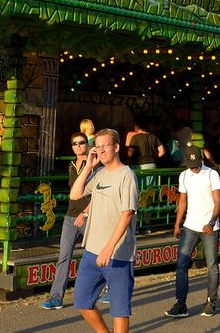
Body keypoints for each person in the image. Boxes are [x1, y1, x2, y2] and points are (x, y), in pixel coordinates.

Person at [70, 129, 138, 333]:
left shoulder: (127, 175)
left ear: (116, 147)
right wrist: (88, 166)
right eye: (97, 146)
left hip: (118, 254)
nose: (100, 150)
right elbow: (75, 195)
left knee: (119, 310)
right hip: (92, 250)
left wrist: (109, 248)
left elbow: (127, 214)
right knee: (82, 301)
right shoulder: (98, 173)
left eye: (105, 146)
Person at [166, 146, 220, 318]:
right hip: (190, 225)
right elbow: (182, 201)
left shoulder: (212, 174)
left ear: (201, 160)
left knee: (211, 265)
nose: (194, 168)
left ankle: (211, 302)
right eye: (191, 165)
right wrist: (177, 224)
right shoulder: (184, 175)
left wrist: (211, 222)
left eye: (196, 164)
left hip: (209, 227)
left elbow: (218, 201)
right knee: (181, 264)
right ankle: (181, 304)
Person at [43, 132, 96, 310]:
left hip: (89, 216)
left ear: (87, 144)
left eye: (82, 142)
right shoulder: (71, 165)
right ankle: (56, 297)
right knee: (63, 256)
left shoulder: (95, 164)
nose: (78, 146)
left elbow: (99, 194)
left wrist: (86, 213)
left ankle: (104, 289)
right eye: (75, 143)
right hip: (70, 216)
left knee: (95, 256)